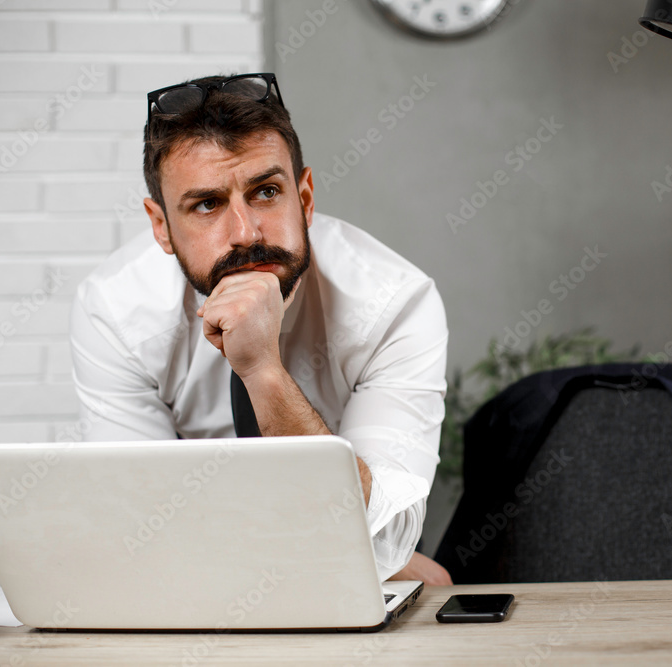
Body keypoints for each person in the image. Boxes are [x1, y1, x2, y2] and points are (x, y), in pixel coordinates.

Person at [69, 73, 451, 584]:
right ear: (161, 226)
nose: (246, 233)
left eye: (267, 191)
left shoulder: (395, 304)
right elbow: (140, 530)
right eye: (206, 204)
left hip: (349, 577)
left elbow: (385, 533)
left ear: (306, 198)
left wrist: (262, 370)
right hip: (208, 581)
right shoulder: (116, 311)